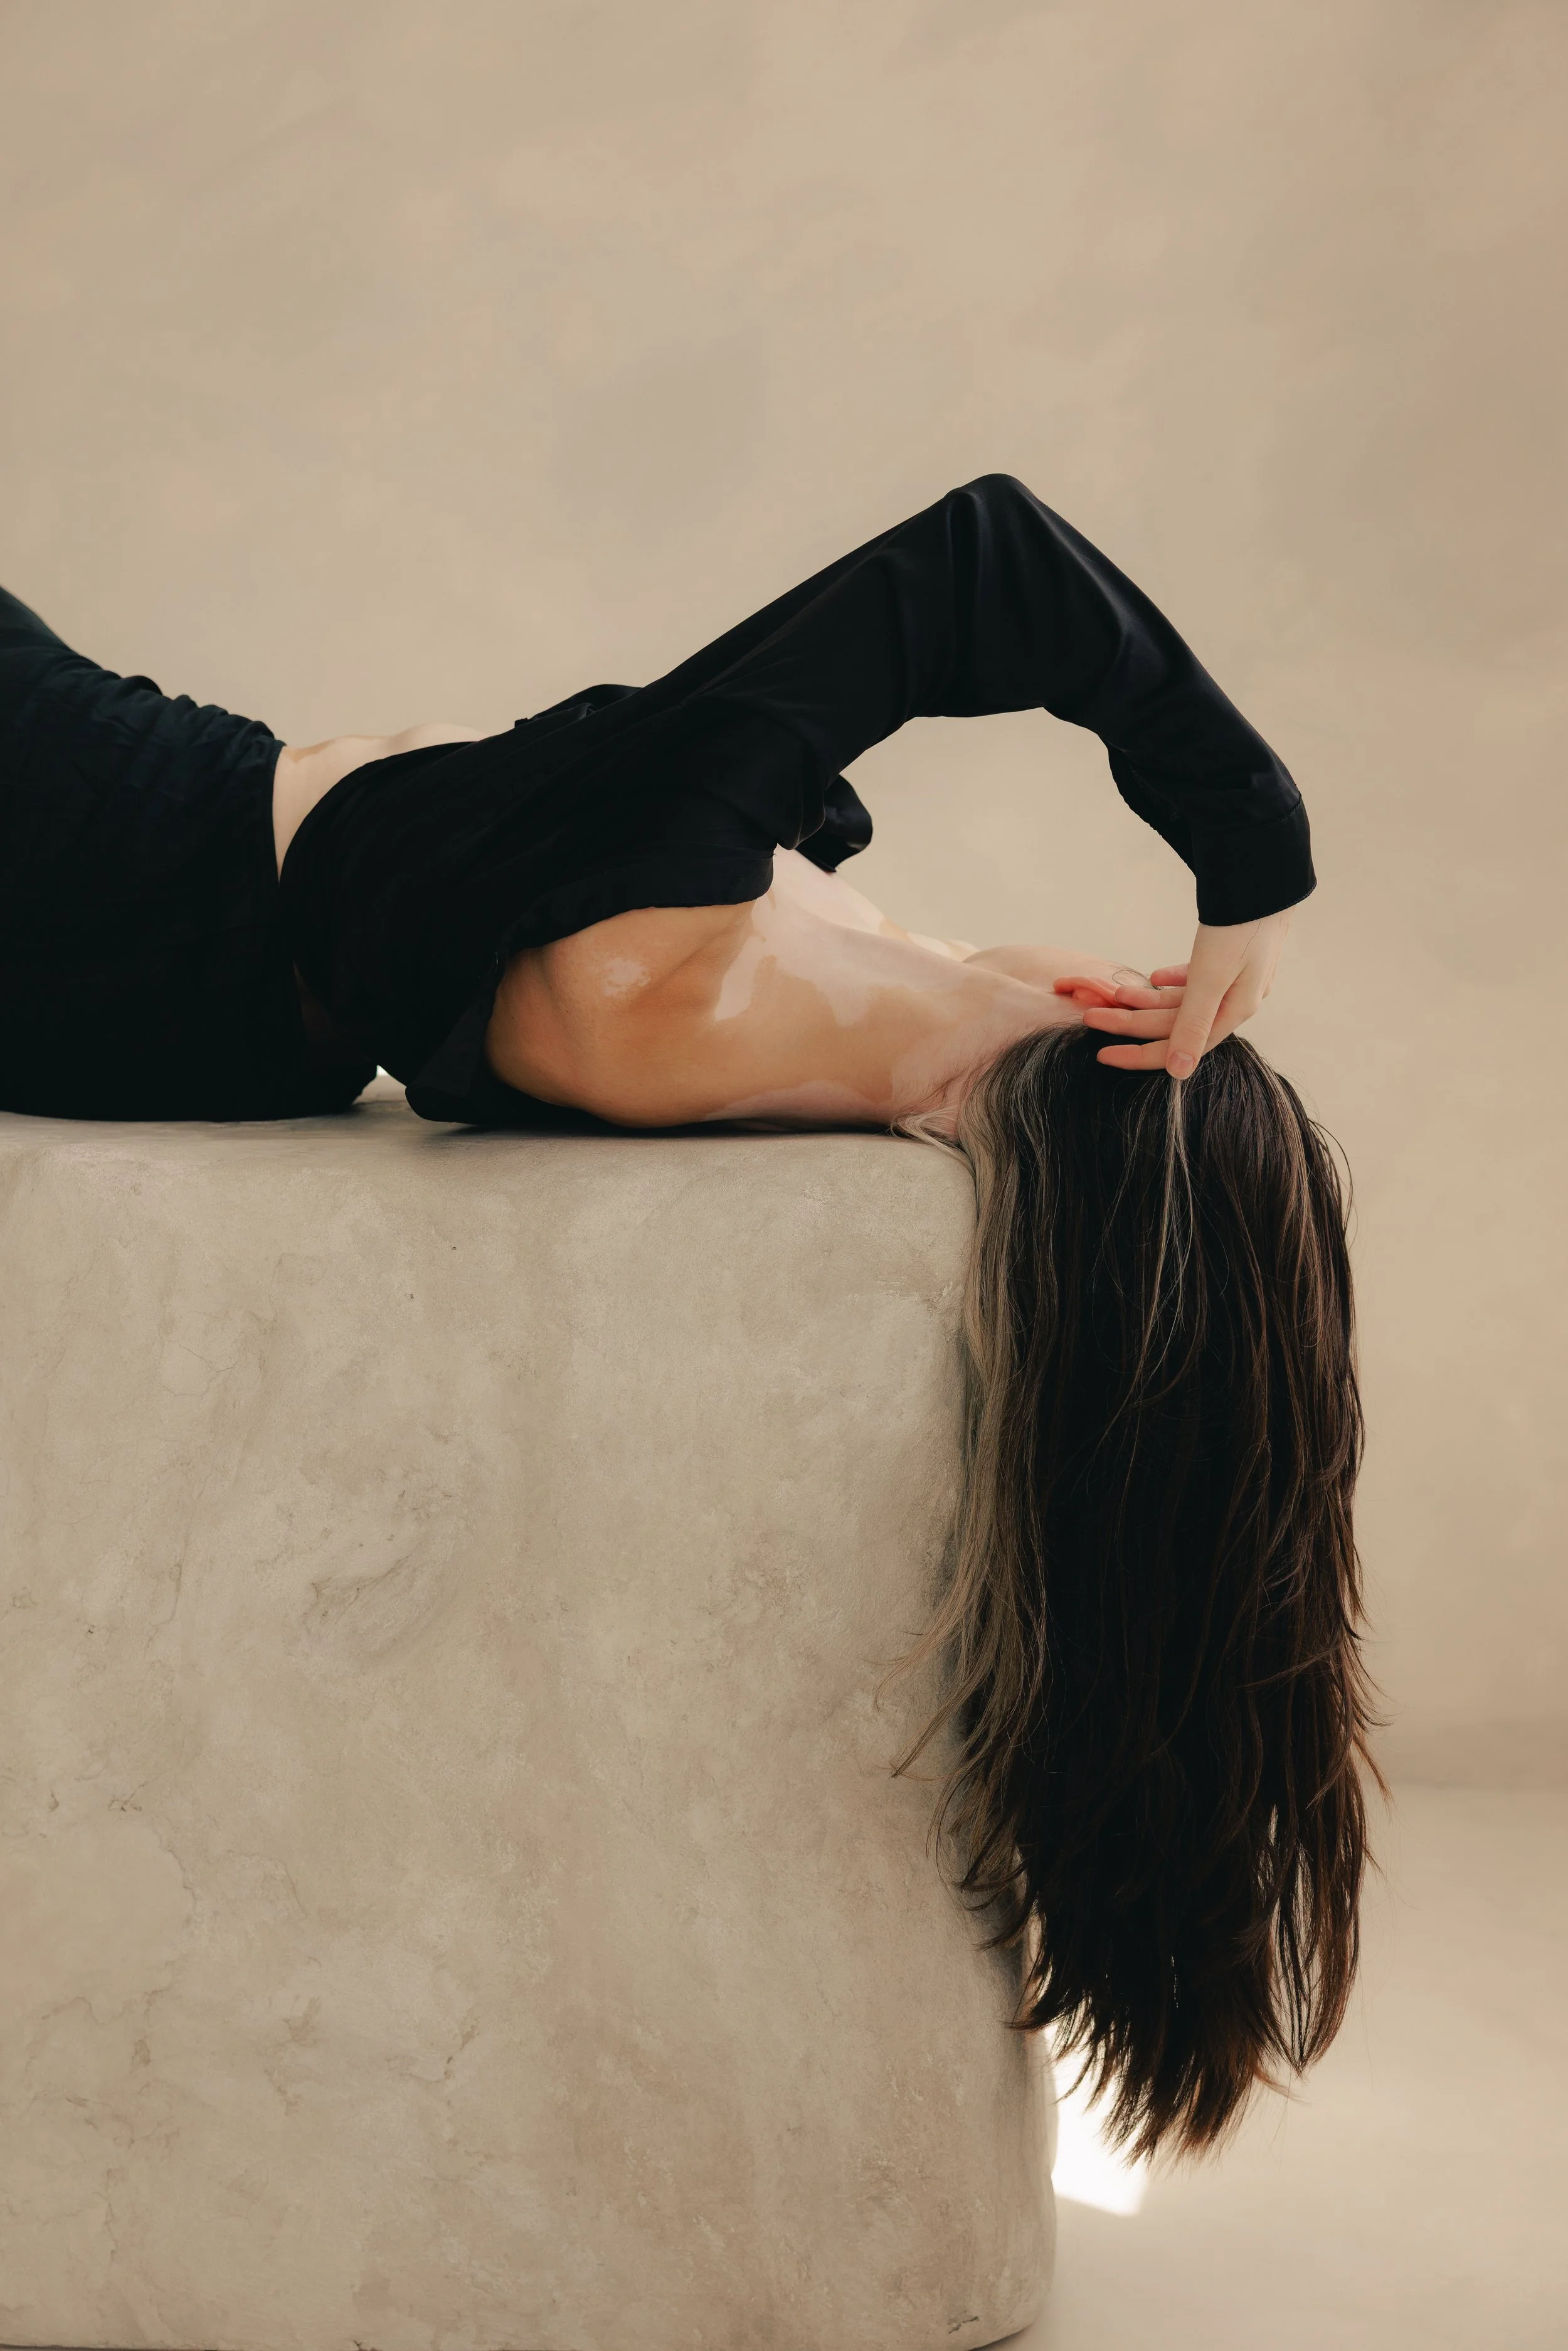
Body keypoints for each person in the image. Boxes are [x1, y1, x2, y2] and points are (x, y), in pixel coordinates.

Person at [0, 472, 1377, 2155]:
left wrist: (1249, 859)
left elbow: (987, 558)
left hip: (93, 842)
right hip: (159, 971)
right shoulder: (755, 1022)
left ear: (1099, 1004)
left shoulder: (672, 917)